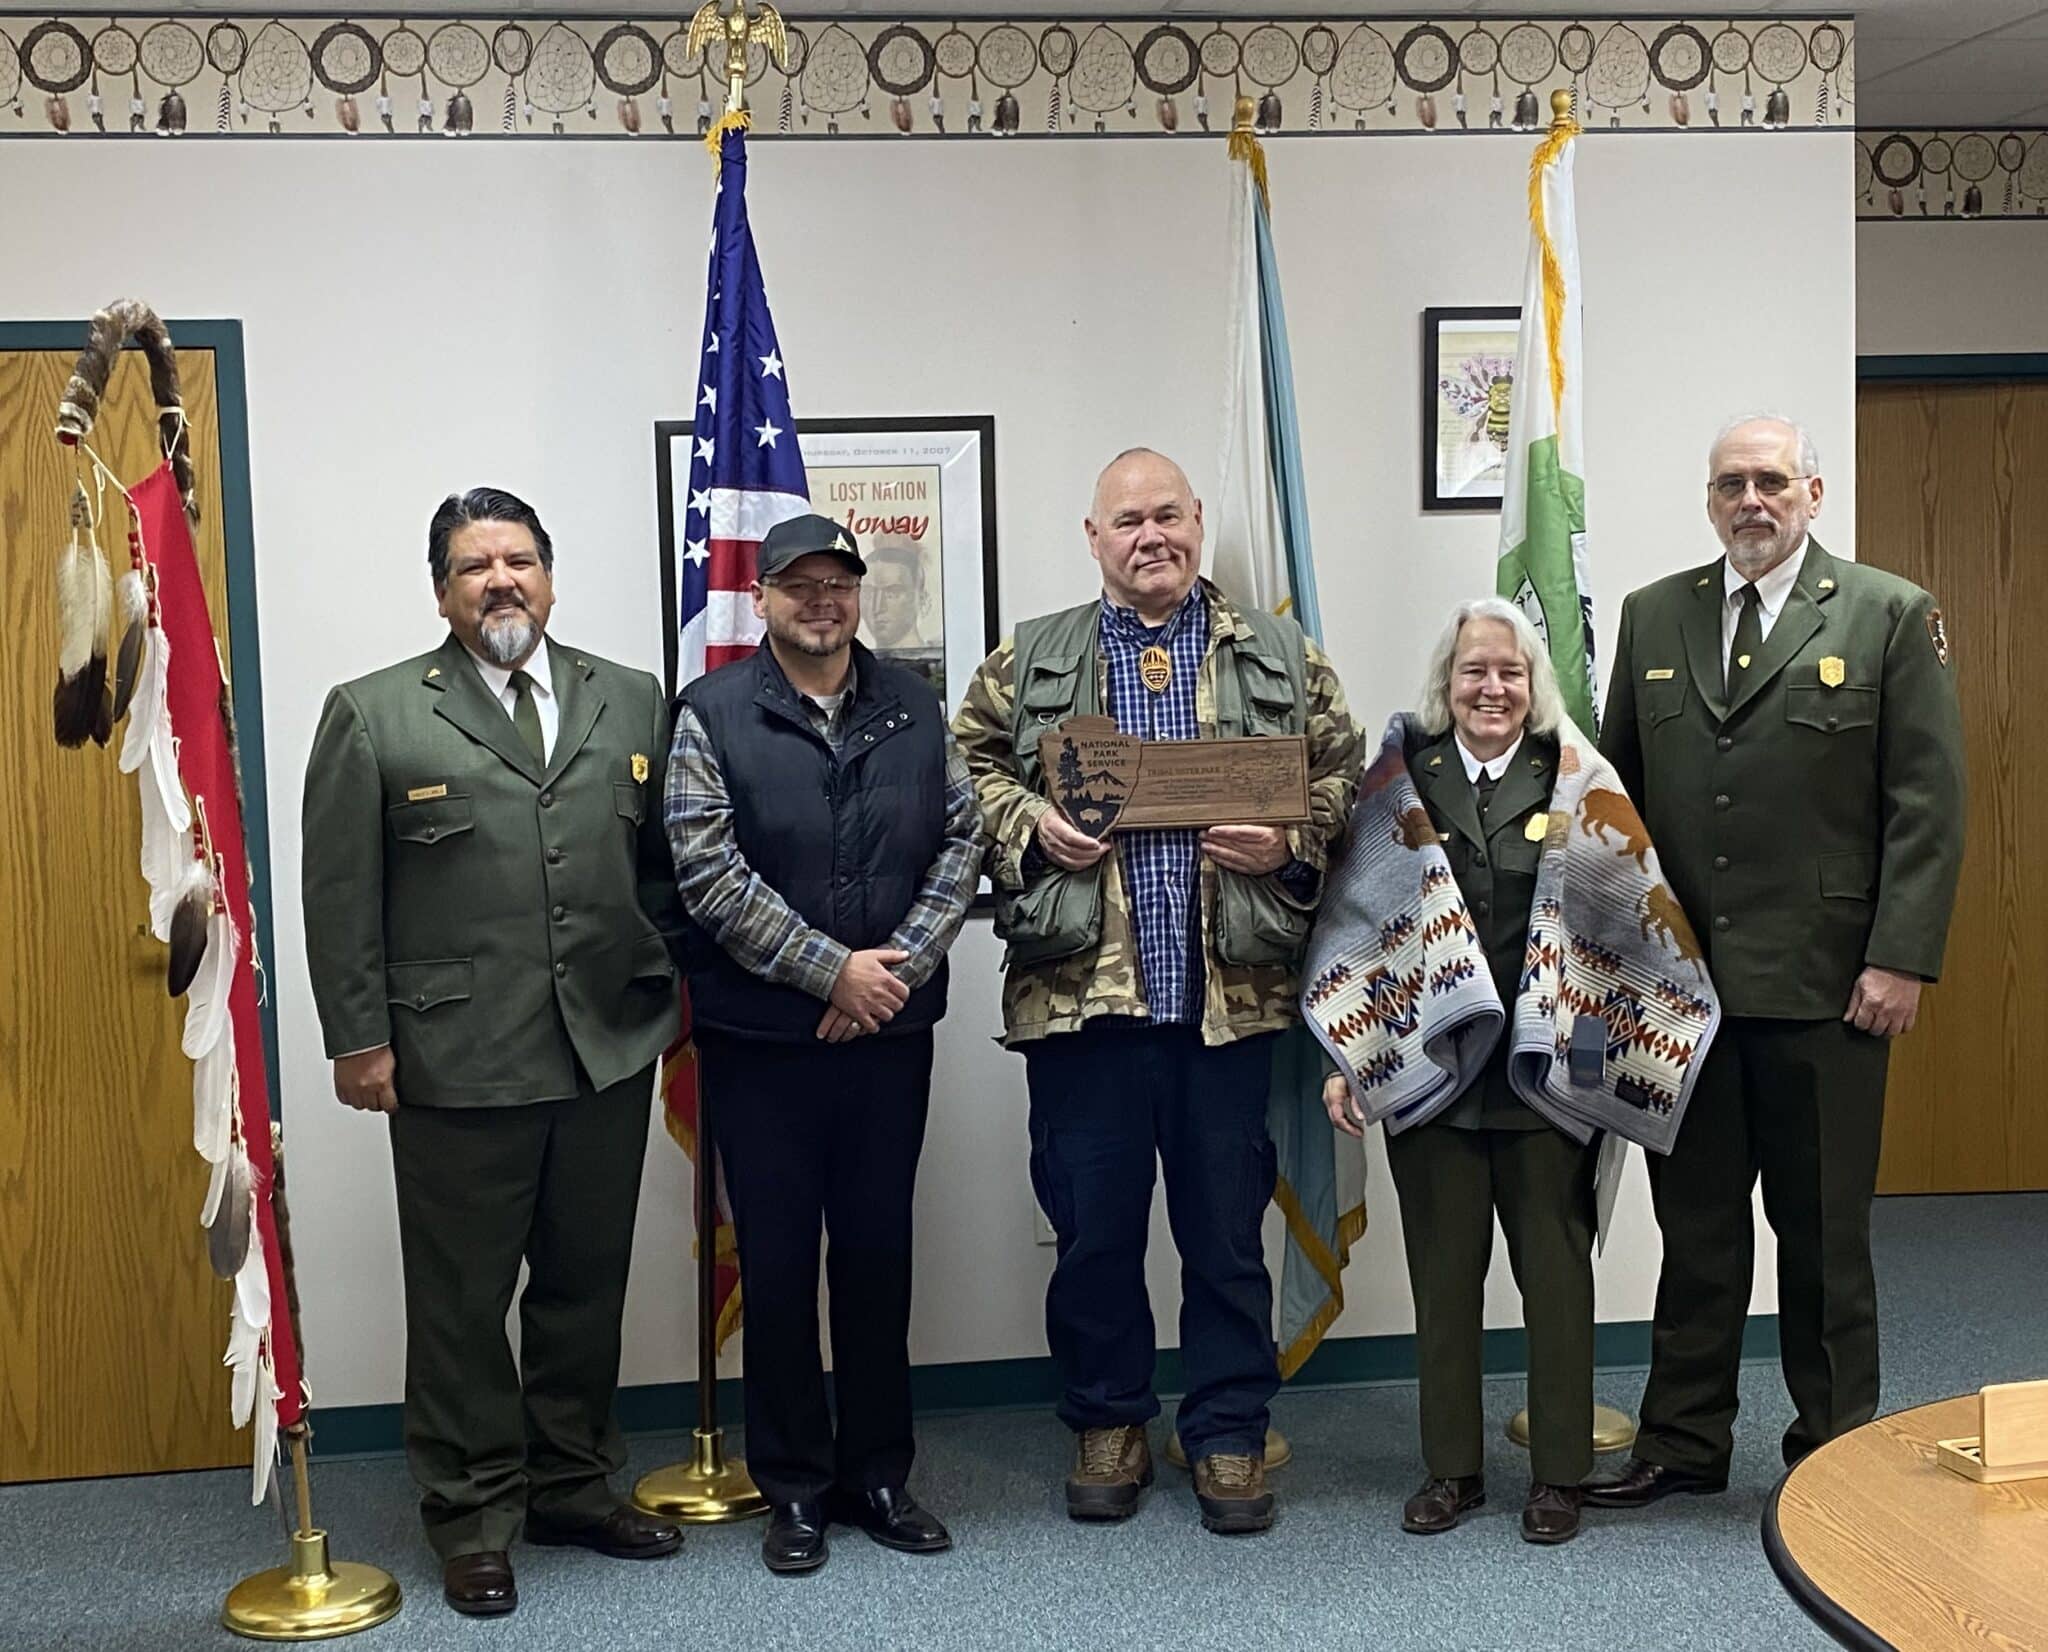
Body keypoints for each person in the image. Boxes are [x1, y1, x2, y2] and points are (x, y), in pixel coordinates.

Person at [952, 447, 1358, 1536]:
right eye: (1127, 521)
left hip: (1229, 1002)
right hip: (1081, 1005)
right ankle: (1108, 1419)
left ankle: (1226, 1430)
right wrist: (1028, 823)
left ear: (1197, 520)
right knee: (1091, 1234)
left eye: (1167, 515)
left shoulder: (1276, 653)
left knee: (1226, 1236)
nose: (1150, 537)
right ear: (1093, 538)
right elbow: (962, 769)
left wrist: (1288, 839)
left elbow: (1342, 772)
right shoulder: (1031, 657)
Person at [301, 488, 686, 1618]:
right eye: (475, 566)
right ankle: (471, 1515)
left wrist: (664, 990)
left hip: (604, 1050)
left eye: (519, 560)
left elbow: (660, 871)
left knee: (584, 1285)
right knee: (463, 1304)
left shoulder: (631, 697)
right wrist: (359, 1039)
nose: (500, 580)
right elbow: (339, 894)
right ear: (442, 593)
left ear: (550, 578)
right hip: (453, 1059)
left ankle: (571, 1484)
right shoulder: (375, 713)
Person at [1589, 414, 1966, 1507]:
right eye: (1729, 484)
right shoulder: (1653, 612)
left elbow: (1926, 802)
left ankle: (1836, 1454)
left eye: (1769, 480)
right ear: (1708, 501)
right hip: (1684, 991)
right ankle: (1683, 1441)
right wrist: (1614, 960)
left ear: (1811, 492)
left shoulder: (1887, 612)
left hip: (1827, 986)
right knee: (1696, 1233)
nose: (1748, 501)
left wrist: (1899, 958)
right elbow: (1618, 795)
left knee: (1823, 1237)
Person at [665, 513, 982, 1576]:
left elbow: (960, 842)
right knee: (779, 1265)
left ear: (857, 594)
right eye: (798, 584)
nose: (821, 601)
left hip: (888, 1036)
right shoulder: (711, 713)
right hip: (762, 1043)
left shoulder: (917, 706)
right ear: (762, 598)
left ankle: (879, 1474)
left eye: (837, 583)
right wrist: (827, 972)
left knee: (879, 1257)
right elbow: (706, 872)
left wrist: (889, 971)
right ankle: (794, 1486)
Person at [1323, 599, 1600, 1544]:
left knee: (1557, 1284)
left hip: (1541, 1082)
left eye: (1510, 672)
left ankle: (1560, 1475)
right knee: (1444, 1284)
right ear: (1448, 681)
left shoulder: (1574, 778)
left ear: (1534, 684)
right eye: (1475, 670)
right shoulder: (1401, 781)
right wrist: (1349, 1059)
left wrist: (1594, 1072)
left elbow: (1606, 930)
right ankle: (1452, 1470)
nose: (1493, 688)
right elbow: (1357, 924)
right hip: (1431, 1077)